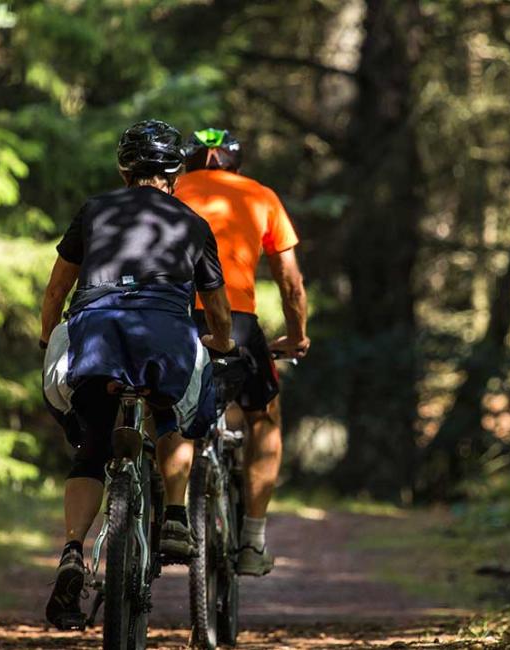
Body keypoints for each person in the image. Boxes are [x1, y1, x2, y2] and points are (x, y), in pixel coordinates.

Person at [38, 120, 236, 630]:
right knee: (175, 414)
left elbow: (57, 289)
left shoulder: (94, 211)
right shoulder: (191, 222)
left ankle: (73, 550)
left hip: (96, 333)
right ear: (175, 172)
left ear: (123, 170)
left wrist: (46, 337)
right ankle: (173, 517)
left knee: (95, 443)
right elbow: (215, 305)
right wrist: (222, 342)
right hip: (165, 335)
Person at [173, 127, 310, 577]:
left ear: (190, 160)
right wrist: (296, 335)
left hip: (170, 319)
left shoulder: (171, 188)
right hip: (236, 321)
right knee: (263, 416)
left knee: (166, 410)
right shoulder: (261, 196)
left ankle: (163, 511)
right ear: (237, 161)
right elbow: (290, 281)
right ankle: (252, 540)